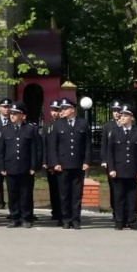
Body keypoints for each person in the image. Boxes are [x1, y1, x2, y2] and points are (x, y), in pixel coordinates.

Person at [48, 97, 91, 230]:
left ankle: (76, 220)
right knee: (64, 194)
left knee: (77, 194)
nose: (62, 111)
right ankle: (65, 219)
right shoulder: (58, 124)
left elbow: (87, 145)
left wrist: (87, 161)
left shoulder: (83, 124)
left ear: (72, 109)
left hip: (78, 164)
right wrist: (55, 162)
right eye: (62, 109)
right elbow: (53, 146)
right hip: (63, 164)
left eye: (65, 108)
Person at [0, 102, 39, 228]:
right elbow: (1, 151)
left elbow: (34, 149)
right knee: (13, 194)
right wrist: (2, 167)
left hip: (26, 167)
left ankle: (26, 218)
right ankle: (14, 217)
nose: (12, 116)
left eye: (15, 114)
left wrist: (33, 166)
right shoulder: (5, 130)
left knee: (25, 194)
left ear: (23, 116)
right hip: (10, 167)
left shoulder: (30, 129)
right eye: (11, 114)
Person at [105, 104, 137, 231]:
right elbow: (110, 152)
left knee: (132, 197)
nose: (122, 117)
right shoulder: (115, 132)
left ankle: (132, 221)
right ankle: (119, 221)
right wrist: (111, 168)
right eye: (121, 115)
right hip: (118, 170)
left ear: (131, 117)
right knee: (119, 196)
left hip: (132, 170)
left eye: (125, 115)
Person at [100, 100, 122, 216]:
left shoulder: (127, 124)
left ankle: (124, 212)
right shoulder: (108, 126)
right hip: (111, 162)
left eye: (118, 111)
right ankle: (115, 211)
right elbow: (104, 144)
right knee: (114, 188)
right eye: (114, 111)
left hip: (123, 162)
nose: (117, 113)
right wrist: (104, 160)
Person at [43, 99, 63, 226]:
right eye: (53, 110)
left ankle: (62, 212)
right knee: (53, 188)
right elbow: (45, 145)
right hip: (51, 163)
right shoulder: (47, 126)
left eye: (57, 110)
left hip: (63, 162)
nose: (55, 113)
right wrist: (46, 161)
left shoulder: (64, 124)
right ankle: (55, 211)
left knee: (63, 190)